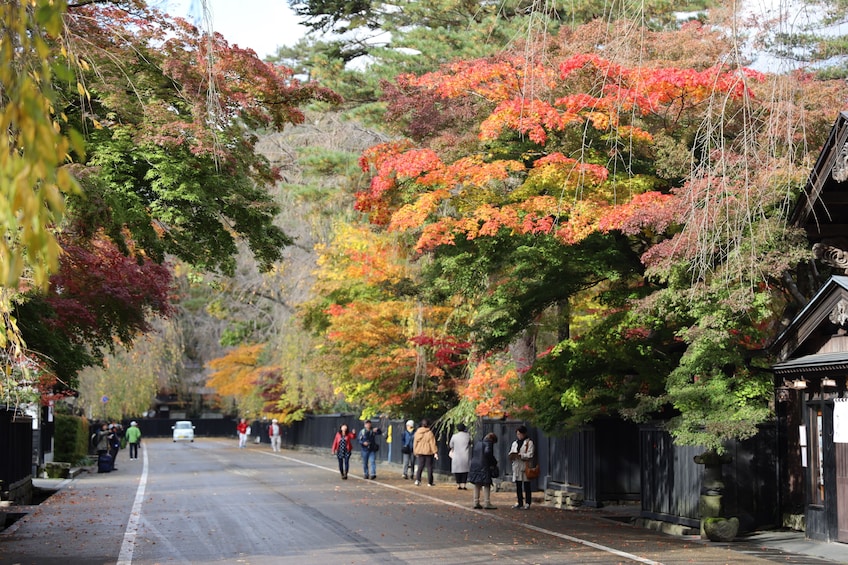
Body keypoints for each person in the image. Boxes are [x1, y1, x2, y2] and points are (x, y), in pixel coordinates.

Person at [468, 432, 498, 509]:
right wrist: (493, 462)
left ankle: (476, 501)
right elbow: (488, 453)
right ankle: (487, 502)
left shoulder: (478, 443)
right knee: (487, 484)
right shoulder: (488, 443)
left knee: (477, 484)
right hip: (484, 465)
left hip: (475, 465)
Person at [509, 425, 536, 509]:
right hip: (517, 465)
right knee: (518, 485)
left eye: (520, 434)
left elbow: (530, 454)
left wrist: (522, 455)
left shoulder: (529, 443)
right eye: (517, 434)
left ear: (524, 434)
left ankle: (528, 502)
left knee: (527, 485)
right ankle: (519, 502)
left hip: (525, 466)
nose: (519, 436)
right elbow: (511, 452)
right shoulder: (515, 443)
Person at [413, 418, 438, 486]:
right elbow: (432, 443)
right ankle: (430, 482)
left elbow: (415, 442)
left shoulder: (418, 432)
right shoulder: (430, 433)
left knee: (420, 466)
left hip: (420, 450)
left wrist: (415, 451)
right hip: (428, 451)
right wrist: (435, 452)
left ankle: (418, 480)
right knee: (429, 467)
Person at [448, 423, 472, 490]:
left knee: (457, 470)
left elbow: (451, 445)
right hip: (465, 455)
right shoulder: (467, 436)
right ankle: (464, 484)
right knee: (465, 471)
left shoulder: (454, 436)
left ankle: (458, 484)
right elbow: (470, 442)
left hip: (456, 455)